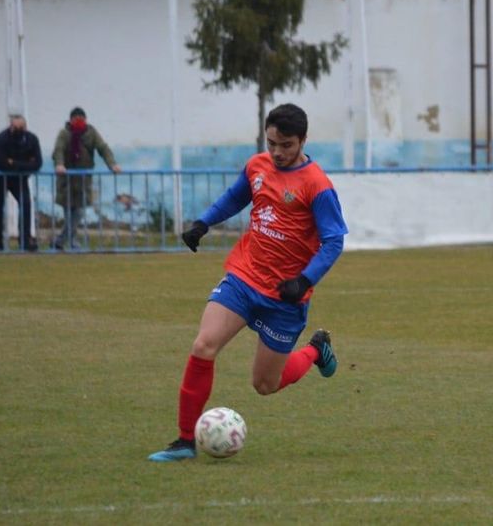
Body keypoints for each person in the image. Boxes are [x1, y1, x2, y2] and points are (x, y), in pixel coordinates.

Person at [148, 103, 348, 462]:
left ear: (303, 140)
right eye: (271, 142)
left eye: (286, 144)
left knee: (264, 385)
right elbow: (236, 197)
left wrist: (304, 281)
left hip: (285, 296)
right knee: (203, 345)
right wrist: (203, 223)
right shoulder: (257, 165)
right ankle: (183, 441)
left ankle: (316, 350)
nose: (277, 152)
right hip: (244, 276)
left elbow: (334, 240)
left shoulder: (317, 185)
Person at [52, 107, 120, 250]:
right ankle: (71, 241)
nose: (79, 123)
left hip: (84, 181)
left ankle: (60, 240)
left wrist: (112, 164)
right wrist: (59, 164)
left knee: (79, 212)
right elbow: (58, 150)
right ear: (70, 120)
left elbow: (103, 148)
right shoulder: (64, 134)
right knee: (69, 213)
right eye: (76, 120)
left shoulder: (91, 133)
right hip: (66, 181)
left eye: (82, 120)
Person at [0, 114, 43, 252]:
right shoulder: (1, 139)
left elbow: (37, 163)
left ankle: (25, 241)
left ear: (26, 127)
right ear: (10, 126)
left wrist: (14, 163)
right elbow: (1, 162)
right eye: (15, 127)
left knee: (25, 204)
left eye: (21, 127)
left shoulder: (32, 139)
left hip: (19, 178)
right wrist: (25, 164)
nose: (18, 130)